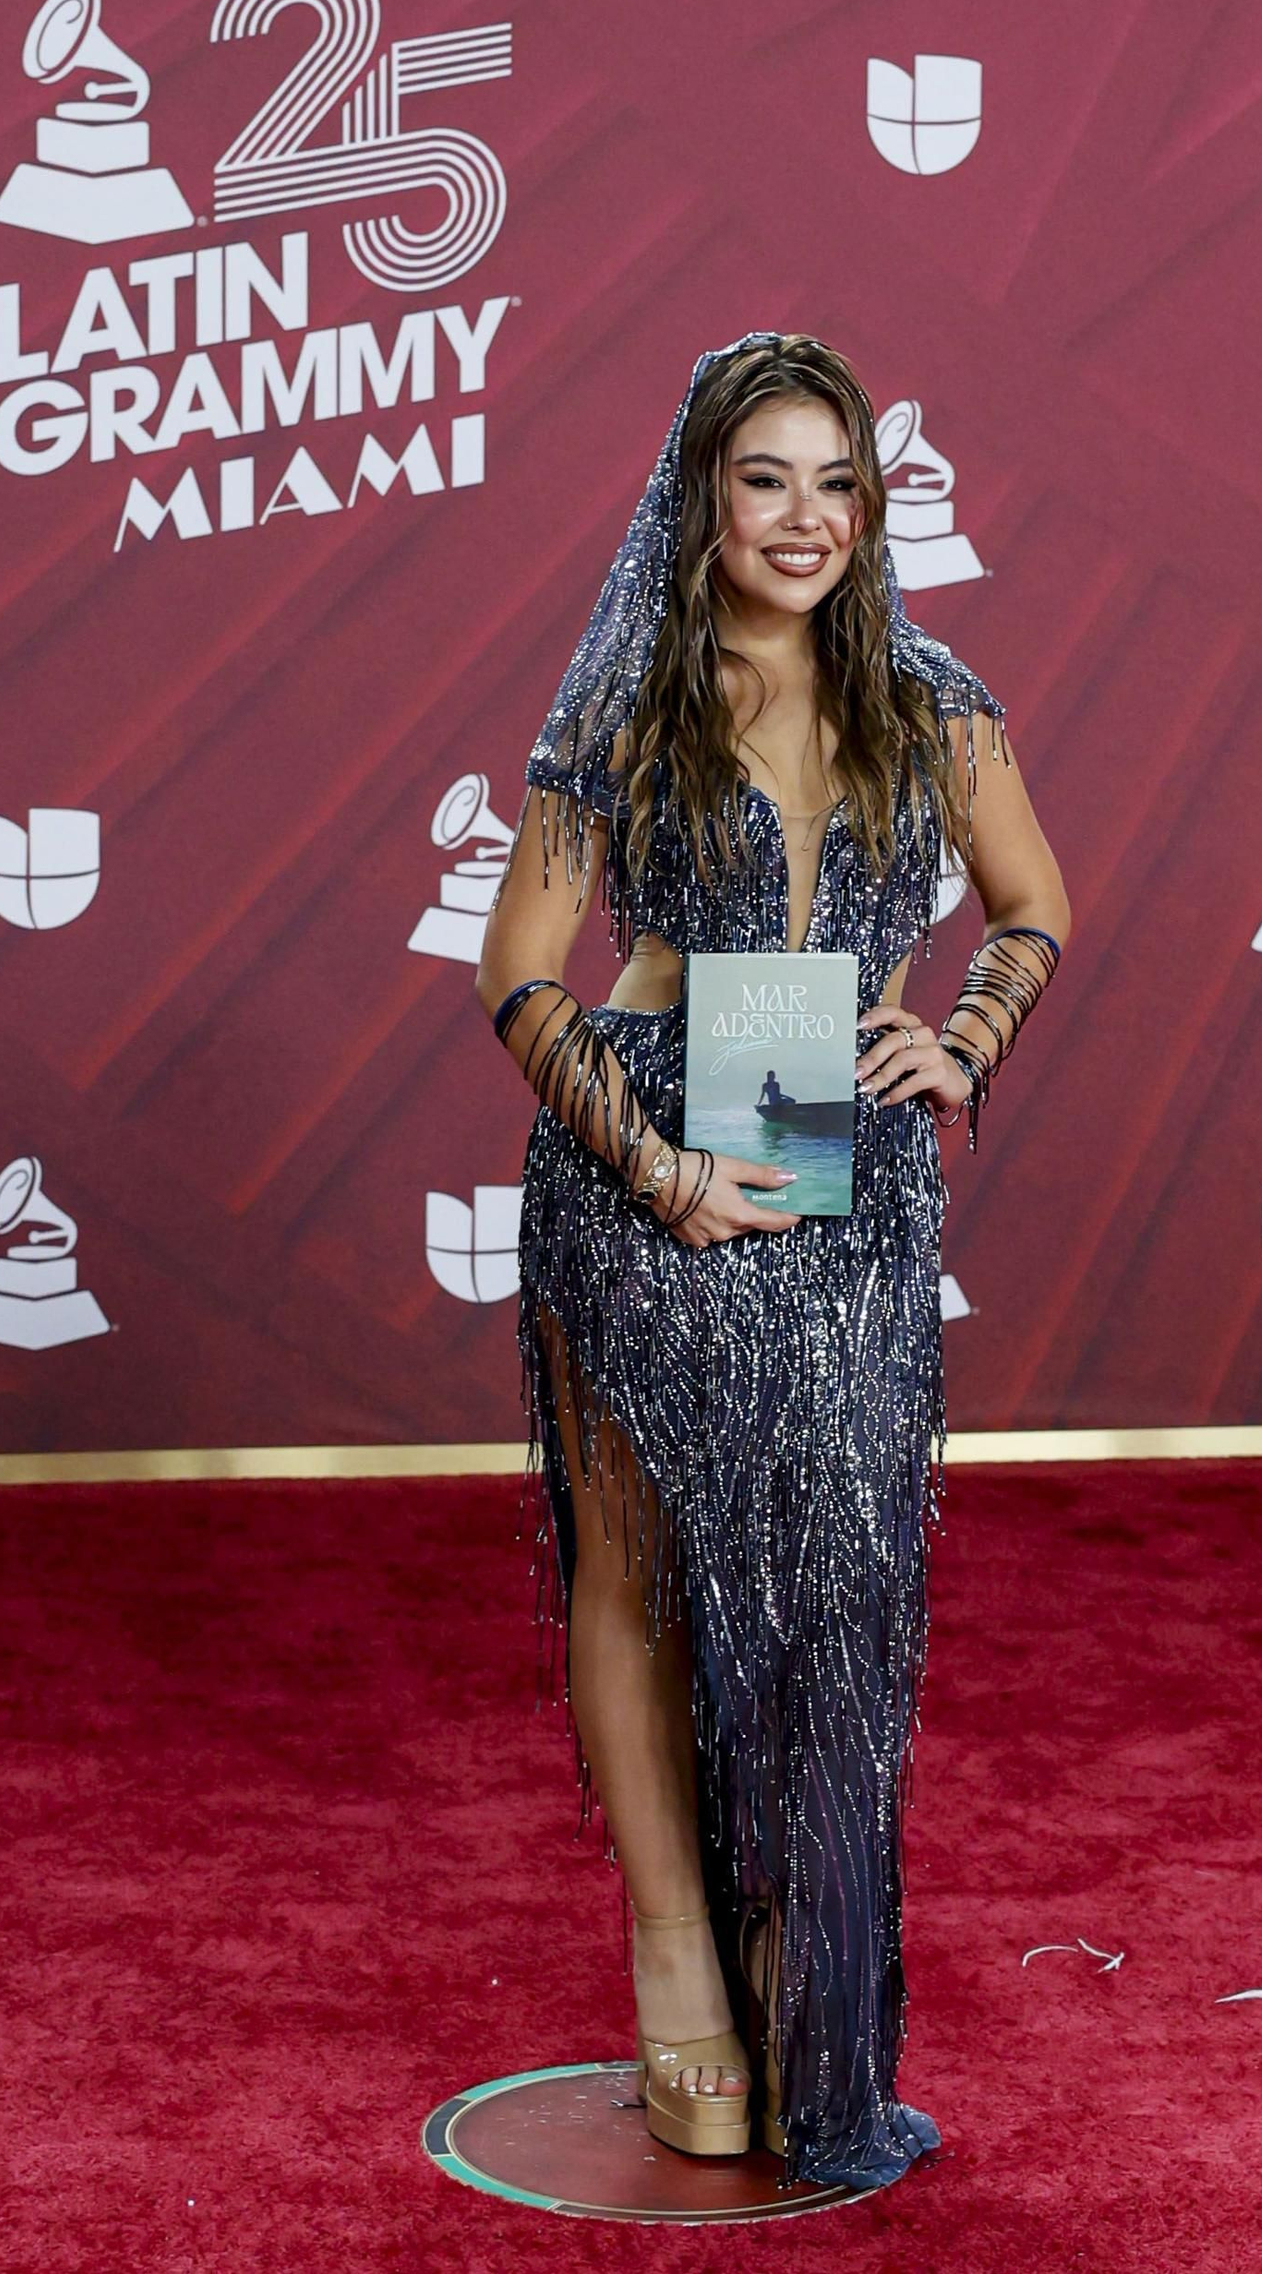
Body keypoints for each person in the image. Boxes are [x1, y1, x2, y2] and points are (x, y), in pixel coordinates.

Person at [475, 331, 1069, 2192]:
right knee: (640, 1569)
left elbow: (1035, 904)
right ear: (702, 500)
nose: (804, 520)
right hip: (643, 1148)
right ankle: (677, 1962)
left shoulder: (933, 698)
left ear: (869, 508)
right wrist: (654, 1168)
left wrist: (963, 1039)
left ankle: (784, 1955)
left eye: (837, 484)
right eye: (766, 480)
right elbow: (518, 971)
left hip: (838, 1157)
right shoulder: (628, 700)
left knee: (836, 1579)